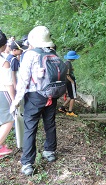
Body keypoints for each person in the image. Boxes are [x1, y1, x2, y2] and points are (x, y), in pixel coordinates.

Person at [10, 26, 59, 176]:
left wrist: (16, 101)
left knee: (30, 127)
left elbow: (23, 80)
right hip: (51, 94)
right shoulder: (53, 53)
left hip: (34, 96)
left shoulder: (30, 55)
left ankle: (27, 163)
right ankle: (50, 151)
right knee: (49, 123)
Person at [0, 31, 15, 159]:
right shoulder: (4, 62)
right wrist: (14, 100)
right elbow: (8, 83)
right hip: (2, 93)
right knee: (9, 119)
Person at [58, 51, 80, 117]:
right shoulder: (68, 64)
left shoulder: (66, 63)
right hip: (70, 82)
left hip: (67, 82)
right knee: (73, 97)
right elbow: (67, 74)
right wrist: (72, 82)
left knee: (70, 96)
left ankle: (62, 107)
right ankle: (70, 112)